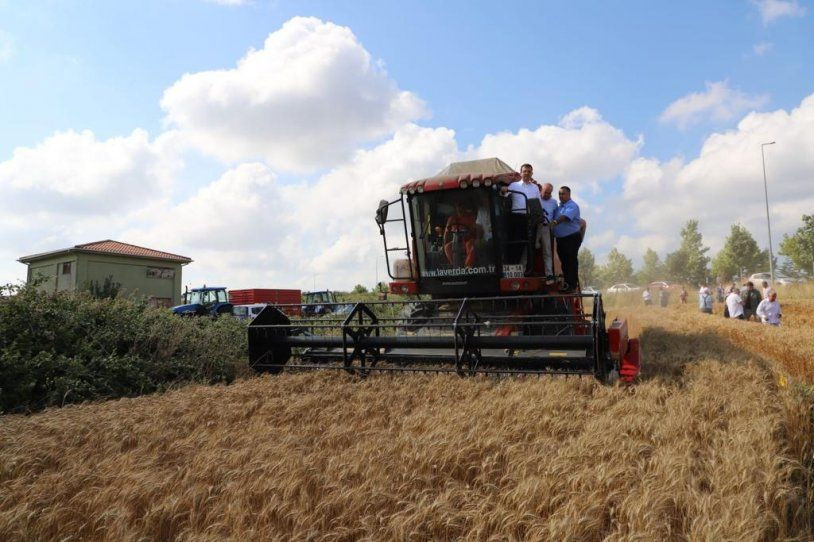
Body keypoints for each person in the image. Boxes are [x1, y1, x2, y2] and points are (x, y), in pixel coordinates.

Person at [504, 163, 543, 266]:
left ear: (532, 173)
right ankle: (514, 267)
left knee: (530, 245)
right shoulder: (514, 185)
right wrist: (503, 189)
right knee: (517, 243)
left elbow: (538, 203)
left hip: (530, 219)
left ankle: (527, 270)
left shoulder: (535, 188)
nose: (526, 173)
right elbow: (503, 194)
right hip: (517, 218)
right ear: (520, 173)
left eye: (529, 171)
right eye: (524, 171)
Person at [552, 186, 582, 292]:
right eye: (559, 194)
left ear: (569, 194)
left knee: (571, 261)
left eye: (563, 194)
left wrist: (555, 222)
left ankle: (572, 285)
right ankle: (567, 284)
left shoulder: (572, 206)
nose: (561, 196)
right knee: (564, 262)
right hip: (561, 239)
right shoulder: (558, 207)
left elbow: (564, 217)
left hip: (571, 237)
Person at [443, 201, 479, 268]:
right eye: (458, 206)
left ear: (464, 207)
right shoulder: (451, 219)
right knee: (447, 247)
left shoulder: (470, 217)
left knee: (470, 245)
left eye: (461, 206)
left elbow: (474, 229)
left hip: (468, 239)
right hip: (455, 240)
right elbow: (447, 232)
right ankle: (455, 266)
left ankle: (468, 267)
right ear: (455, 208)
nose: (459, 208)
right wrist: (444, 242)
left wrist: (469, 232)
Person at [537, 182, 558, 280]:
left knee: (547, 251)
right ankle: (523, 270)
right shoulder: (535, 198)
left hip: (546, 228)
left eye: (549, 193)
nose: (547, 195)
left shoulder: (554, 202)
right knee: (527, 249)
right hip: (534, 227)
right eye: (546, 192)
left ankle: (549, 274)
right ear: (541, 190)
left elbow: (556, 216)